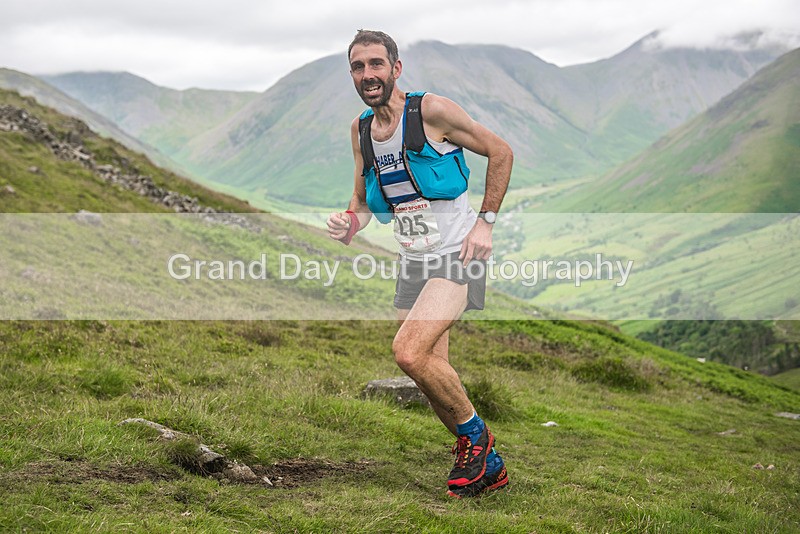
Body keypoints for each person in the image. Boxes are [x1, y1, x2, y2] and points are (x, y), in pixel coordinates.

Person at [327, 29, 513, 498]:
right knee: (431, 370)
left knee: (408, 351)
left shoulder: (431, 111)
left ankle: (478, 440)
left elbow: (501, 152)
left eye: (375, 64)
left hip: (458, 254)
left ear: (395, 68)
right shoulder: (361, 131)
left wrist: (485, 223)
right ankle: (484, 466)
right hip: (413, 260)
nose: (367, 75)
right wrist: (350, 223)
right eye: (357, 67)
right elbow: (362, 201)